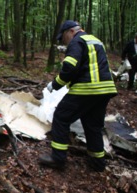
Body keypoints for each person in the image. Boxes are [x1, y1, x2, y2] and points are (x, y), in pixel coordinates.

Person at [38, 20, 117, 172]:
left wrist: (54, 84)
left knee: (61, 117)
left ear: (71, 32)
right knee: (93, 125)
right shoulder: (96, 41)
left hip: (86, 88)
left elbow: (70, 68)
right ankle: (97, 163)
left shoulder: (76, 41)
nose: (64, 41)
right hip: (105, 90)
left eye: (63, 37)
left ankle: (57, 158)